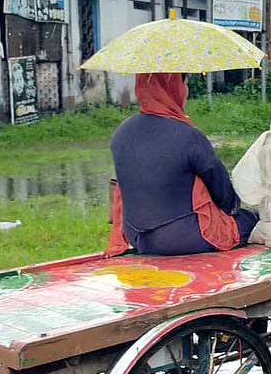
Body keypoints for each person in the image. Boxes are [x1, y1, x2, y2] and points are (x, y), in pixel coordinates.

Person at [110, 73, 259, 256]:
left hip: (137, 236)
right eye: (185, 85)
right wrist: (232, 209)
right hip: (183, 238)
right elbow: (222, 191)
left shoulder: (121, 132)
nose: (186, 91)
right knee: (253, 218)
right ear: (173, 88)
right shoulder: (188, 135)